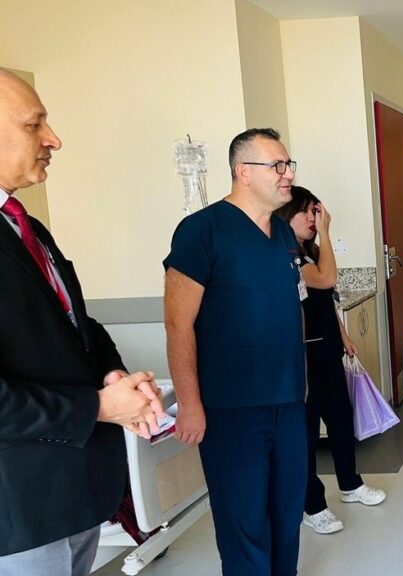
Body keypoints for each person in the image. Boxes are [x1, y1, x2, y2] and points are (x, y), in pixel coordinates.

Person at [0, 69, 164, 575]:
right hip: (18, 508)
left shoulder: (25, 226)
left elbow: (76, 325)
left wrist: (111, 375)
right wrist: (98, 406)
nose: (54, 139)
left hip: (72, 492)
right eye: (34, 125)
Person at [164, 128, 307, 576]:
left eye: (288, 165)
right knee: (244, 523)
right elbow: (178, 324)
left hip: (288, 401)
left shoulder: (282, 233)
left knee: (287, 516)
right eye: (277, 165)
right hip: (232, 407)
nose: (287, 174)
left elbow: (291, 306)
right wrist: (189, 403)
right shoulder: (201, 231)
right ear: (243, 172)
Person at [275, 186, 387, 536]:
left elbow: (325, 301)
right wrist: (326, 231)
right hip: (303, 359)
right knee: (307, 433)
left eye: (316, 211)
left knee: (340, 420)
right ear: (286, 215)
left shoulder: (309, 255)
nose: (313, 218)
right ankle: (312, 506)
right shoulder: (288, 259)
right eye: (306, 212)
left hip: (328, 352)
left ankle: (351, 484)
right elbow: (327, 279)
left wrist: (343, 336)